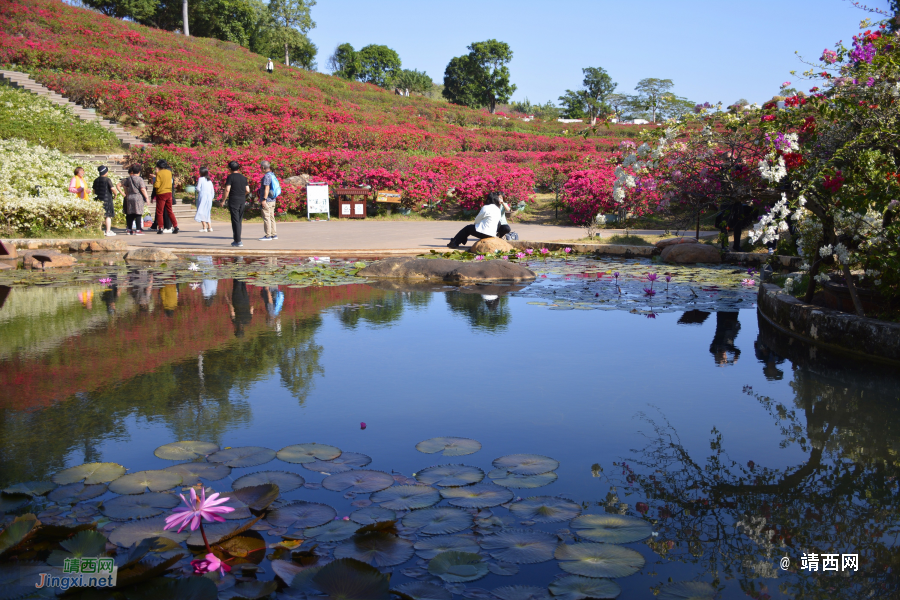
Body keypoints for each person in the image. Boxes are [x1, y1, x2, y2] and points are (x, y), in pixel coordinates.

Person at [223, 161, 251, 247]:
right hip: (242, 200)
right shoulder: (243, 177)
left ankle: (238, 241)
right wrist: (242, 195)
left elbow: (227, 189)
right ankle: (237, 239)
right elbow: (248, 190)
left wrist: (223, 200)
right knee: (239, 220)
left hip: (234, 200)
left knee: (235, 220)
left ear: (230, 169)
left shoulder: (230, 177)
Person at [92, 166, 122, 237]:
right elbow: (112, 188)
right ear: (105, 172)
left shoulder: (96, 180)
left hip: (98, 199)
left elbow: (94, 190)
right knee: (108, 216)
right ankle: (108, 231)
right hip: (107, 199)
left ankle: (99, 231)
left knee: (100, 215)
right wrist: (115, 194)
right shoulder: (107, 180)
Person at [152, 159, 179, 234]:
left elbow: (157, 185)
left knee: (159, 212)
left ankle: (160, 227)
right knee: (170, 211)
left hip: (161, 193)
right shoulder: (169, 172)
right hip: (169, 193)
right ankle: (175, 226)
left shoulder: (159, 173)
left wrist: (154, 183)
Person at [121, 164, 149, 235]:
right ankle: (138, 230)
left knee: (130, 213)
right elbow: (142, 189)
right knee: (138, 213)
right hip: (138, 197)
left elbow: (124, 185)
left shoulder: (129, 178)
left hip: (130, 197)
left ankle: (129, 229)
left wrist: (127, 193)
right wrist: (147, 197)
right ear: (139, 172)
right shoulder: (140, 179)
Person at [258, 160, 279, 241]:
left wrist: (264, 199)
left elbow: (267, 188)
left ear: (263, 168)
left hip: (268, 200)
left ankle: (268, 235)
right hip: (273, 200)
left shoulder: (267, 176)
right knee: (271, 217)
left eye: (261, 168)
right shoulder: (272, 174)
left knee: (267, 217)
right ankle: (274, 234)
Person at [194, 166, 214, 232]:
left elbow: (198, 189)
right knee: (207, 211)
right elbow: (212, 191)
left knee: (201, 211)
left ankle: (204, 227)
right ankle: (210, 227)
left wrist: (195, 188)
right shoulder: (209, 180)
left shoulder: (201, 179)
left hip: (203, 196)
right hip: (209, 197)